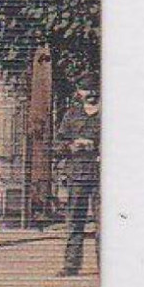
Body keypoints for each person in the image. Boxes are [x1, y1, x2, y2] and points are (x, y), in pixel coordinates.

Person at [56, 80, 101, 276]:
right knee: (75, 222)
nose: (90, 92)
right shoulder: (71, 115)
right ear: (79, 92)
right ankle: (71, 265)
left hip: (102, 176)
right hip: (77, 174)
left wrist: (99, 148)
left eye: (94, 88)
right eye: (85, 89)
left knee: (105, 224)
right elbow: (58, 144)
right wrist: (71, 146)